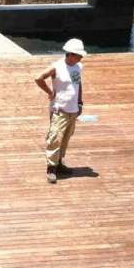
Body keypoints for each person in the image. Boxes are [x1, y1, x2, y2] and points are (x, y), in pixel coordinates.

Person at [34, 38, 87, 184]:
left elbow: (78, 84)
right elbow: (39, 78)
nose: (81, 58)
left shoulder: (78, 67)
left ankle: (59, 163)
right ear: (70, 54)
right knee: (55, 137)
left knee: (66, 138)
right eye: (78, 55)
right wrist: (50, 93)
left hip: (73, 109)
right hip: (60, 108)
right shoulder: (57, 67)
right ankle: (51, 167)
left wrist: (80, 103)